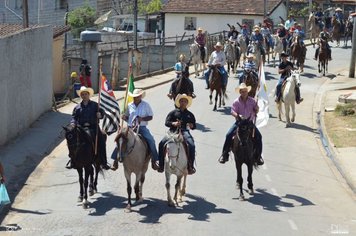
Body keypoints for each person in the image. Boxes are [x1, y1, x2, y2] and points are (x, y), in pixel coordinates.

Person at [67, 86, 111, 170]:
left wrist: (100, 115)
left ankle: (103, 161)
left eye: (85, 94)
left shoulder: (95, 105)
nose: (84, 96)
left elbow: (102, 112)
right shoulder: (77, 108)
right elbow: (74, 117)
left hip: (94, 128)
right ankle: (73, 161)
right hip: (81, 129)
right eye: (82, 94)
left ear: (89, 95)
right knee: (71, 140)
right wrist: (72, 123)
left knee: (102, 139)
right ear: (81, 96)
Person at [219, 83, 264, 165]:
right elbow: (232, 111)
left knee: (259, 137)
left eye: (245, 91)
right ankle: (225, 154)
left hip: (249, 123)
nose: (244, 93)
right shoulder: (236, 101)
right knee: (228, 135)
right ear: (240, 92)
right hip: (239, 123)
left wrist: (257, 109)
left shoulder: (253, 101)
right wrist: (238, 115)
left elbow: (256, 110)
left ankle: (258, 156)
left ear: (247, 92)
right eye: (242, 91)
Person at [117, 89, 160, 171]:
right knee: (120, 139)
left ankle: (155, 159)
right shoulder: (129, 105)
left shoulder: (146, 105)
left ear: (140, 96)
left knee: (151, 140)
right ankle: (116, 159)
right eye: (135, 96)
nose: (136, 98)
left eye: (138, 96)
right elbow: (127, 117)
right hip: (130, 128)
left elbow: (150, 116)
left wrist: (142, 118)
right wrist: (124, 117)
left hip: (142, 127)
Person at [158, 94, 197, 175]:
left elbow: (194, 125)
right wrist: (173, 123)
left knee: (191, 145)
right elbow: (166, 122)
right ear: (179, 102)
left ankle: (190, 166)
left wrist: (192, 126)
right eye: (181, 101)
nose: (183, 103)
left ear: (187, 103)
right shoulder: (173, 112)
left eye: (185, 101)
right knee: (161, 143)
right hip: (172, 131)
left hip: (185, 131)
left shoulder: (190, 114)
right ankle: (161, 165)